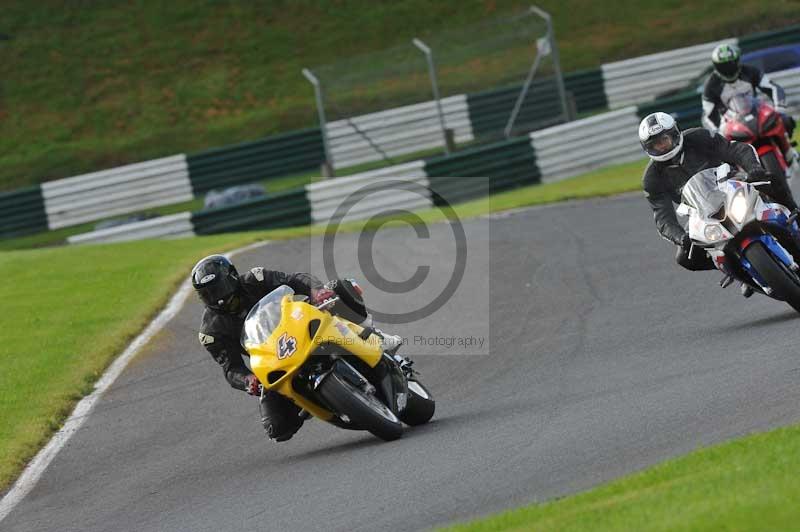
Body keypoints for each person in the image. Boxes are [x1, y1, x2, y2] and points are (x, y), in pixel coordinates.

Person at [191, 254, 403, 442]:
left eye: (219, 288)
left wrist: (317, 291)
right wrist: (247, 380)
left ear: (233, 278)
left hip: (297, 325)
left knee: (338, 287)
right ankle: (308, 401)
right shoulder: (210, 332)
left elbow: (294, 279)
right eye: (208, 294)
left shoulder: (256, 279)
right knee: (278, 428)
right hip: (274, 357)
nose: (217, 297)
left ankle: (374, 334)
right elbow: (231, 368)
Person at [639, 111, 799, 283]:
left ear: (675, 134)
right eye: (655, 144)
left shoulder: (698, 137)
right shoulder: (651, 178)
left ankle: (794, 211)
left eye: (664, 139)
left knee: (770, 179)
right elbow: (663, 219)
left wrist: (753, 168)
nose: (662, 146)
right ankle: (738, 271)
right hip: (700, 213)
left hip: (731, 185)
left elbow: (736, 149)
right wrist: (680, 238)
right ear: (648, 148)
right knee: (684, 258)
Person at [701, 43, 798, 172]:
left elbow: (773, 88)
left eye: (731, 63)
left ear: (737, 61)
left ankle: (789, 151)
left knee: (784, 119)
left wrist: (779, 108)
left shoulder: (750, 71)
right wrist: (717, 131)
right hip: (731, 121)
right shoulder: (711, 85)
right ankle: (736, 174)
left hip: (755, 110)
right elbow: (708, 114)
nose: (728, 68)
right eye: (723, 66)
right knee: (722, 150)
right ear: (716, 66)